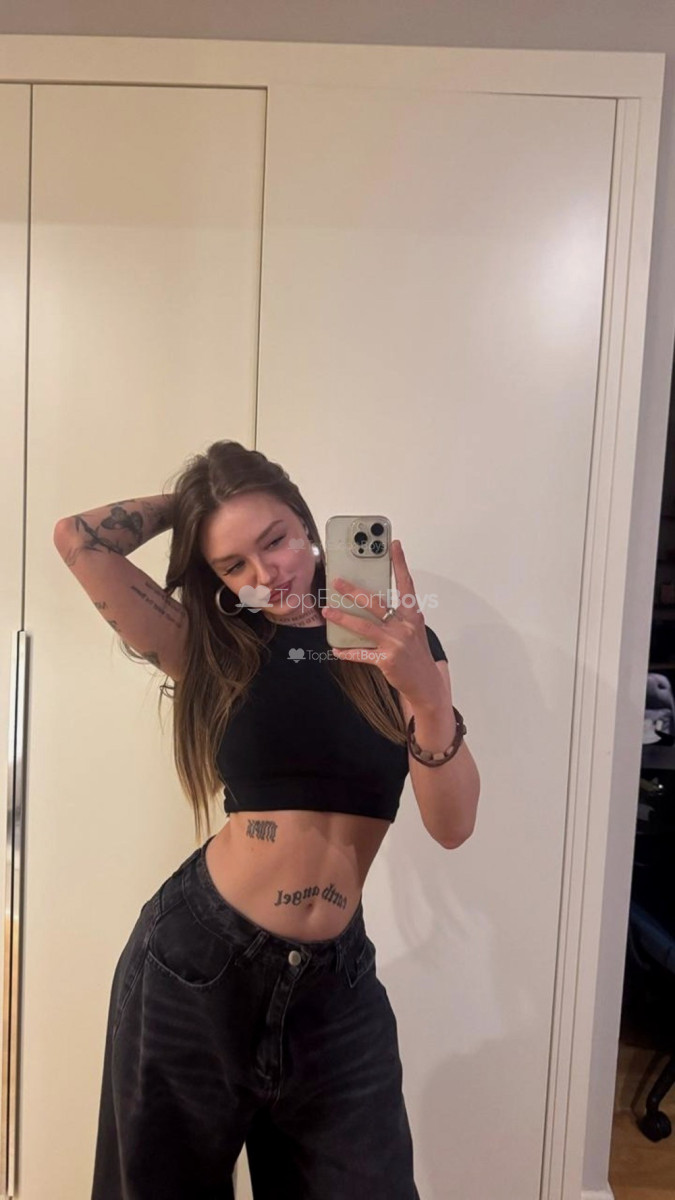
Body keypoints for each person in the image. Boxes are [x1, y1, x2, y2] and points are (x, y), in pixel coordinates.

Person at [54, 439, 480, 1200]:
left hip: (335, 988)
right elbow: (77, 539)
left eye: (275, 539)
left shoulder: (400, 646)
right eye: (233, 565)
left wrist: (425, 695)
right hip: (196, 968)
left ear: (307, 524)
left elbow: (453, 826)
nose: (266, 574)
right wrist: (193, 503)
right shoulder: (211, 645)